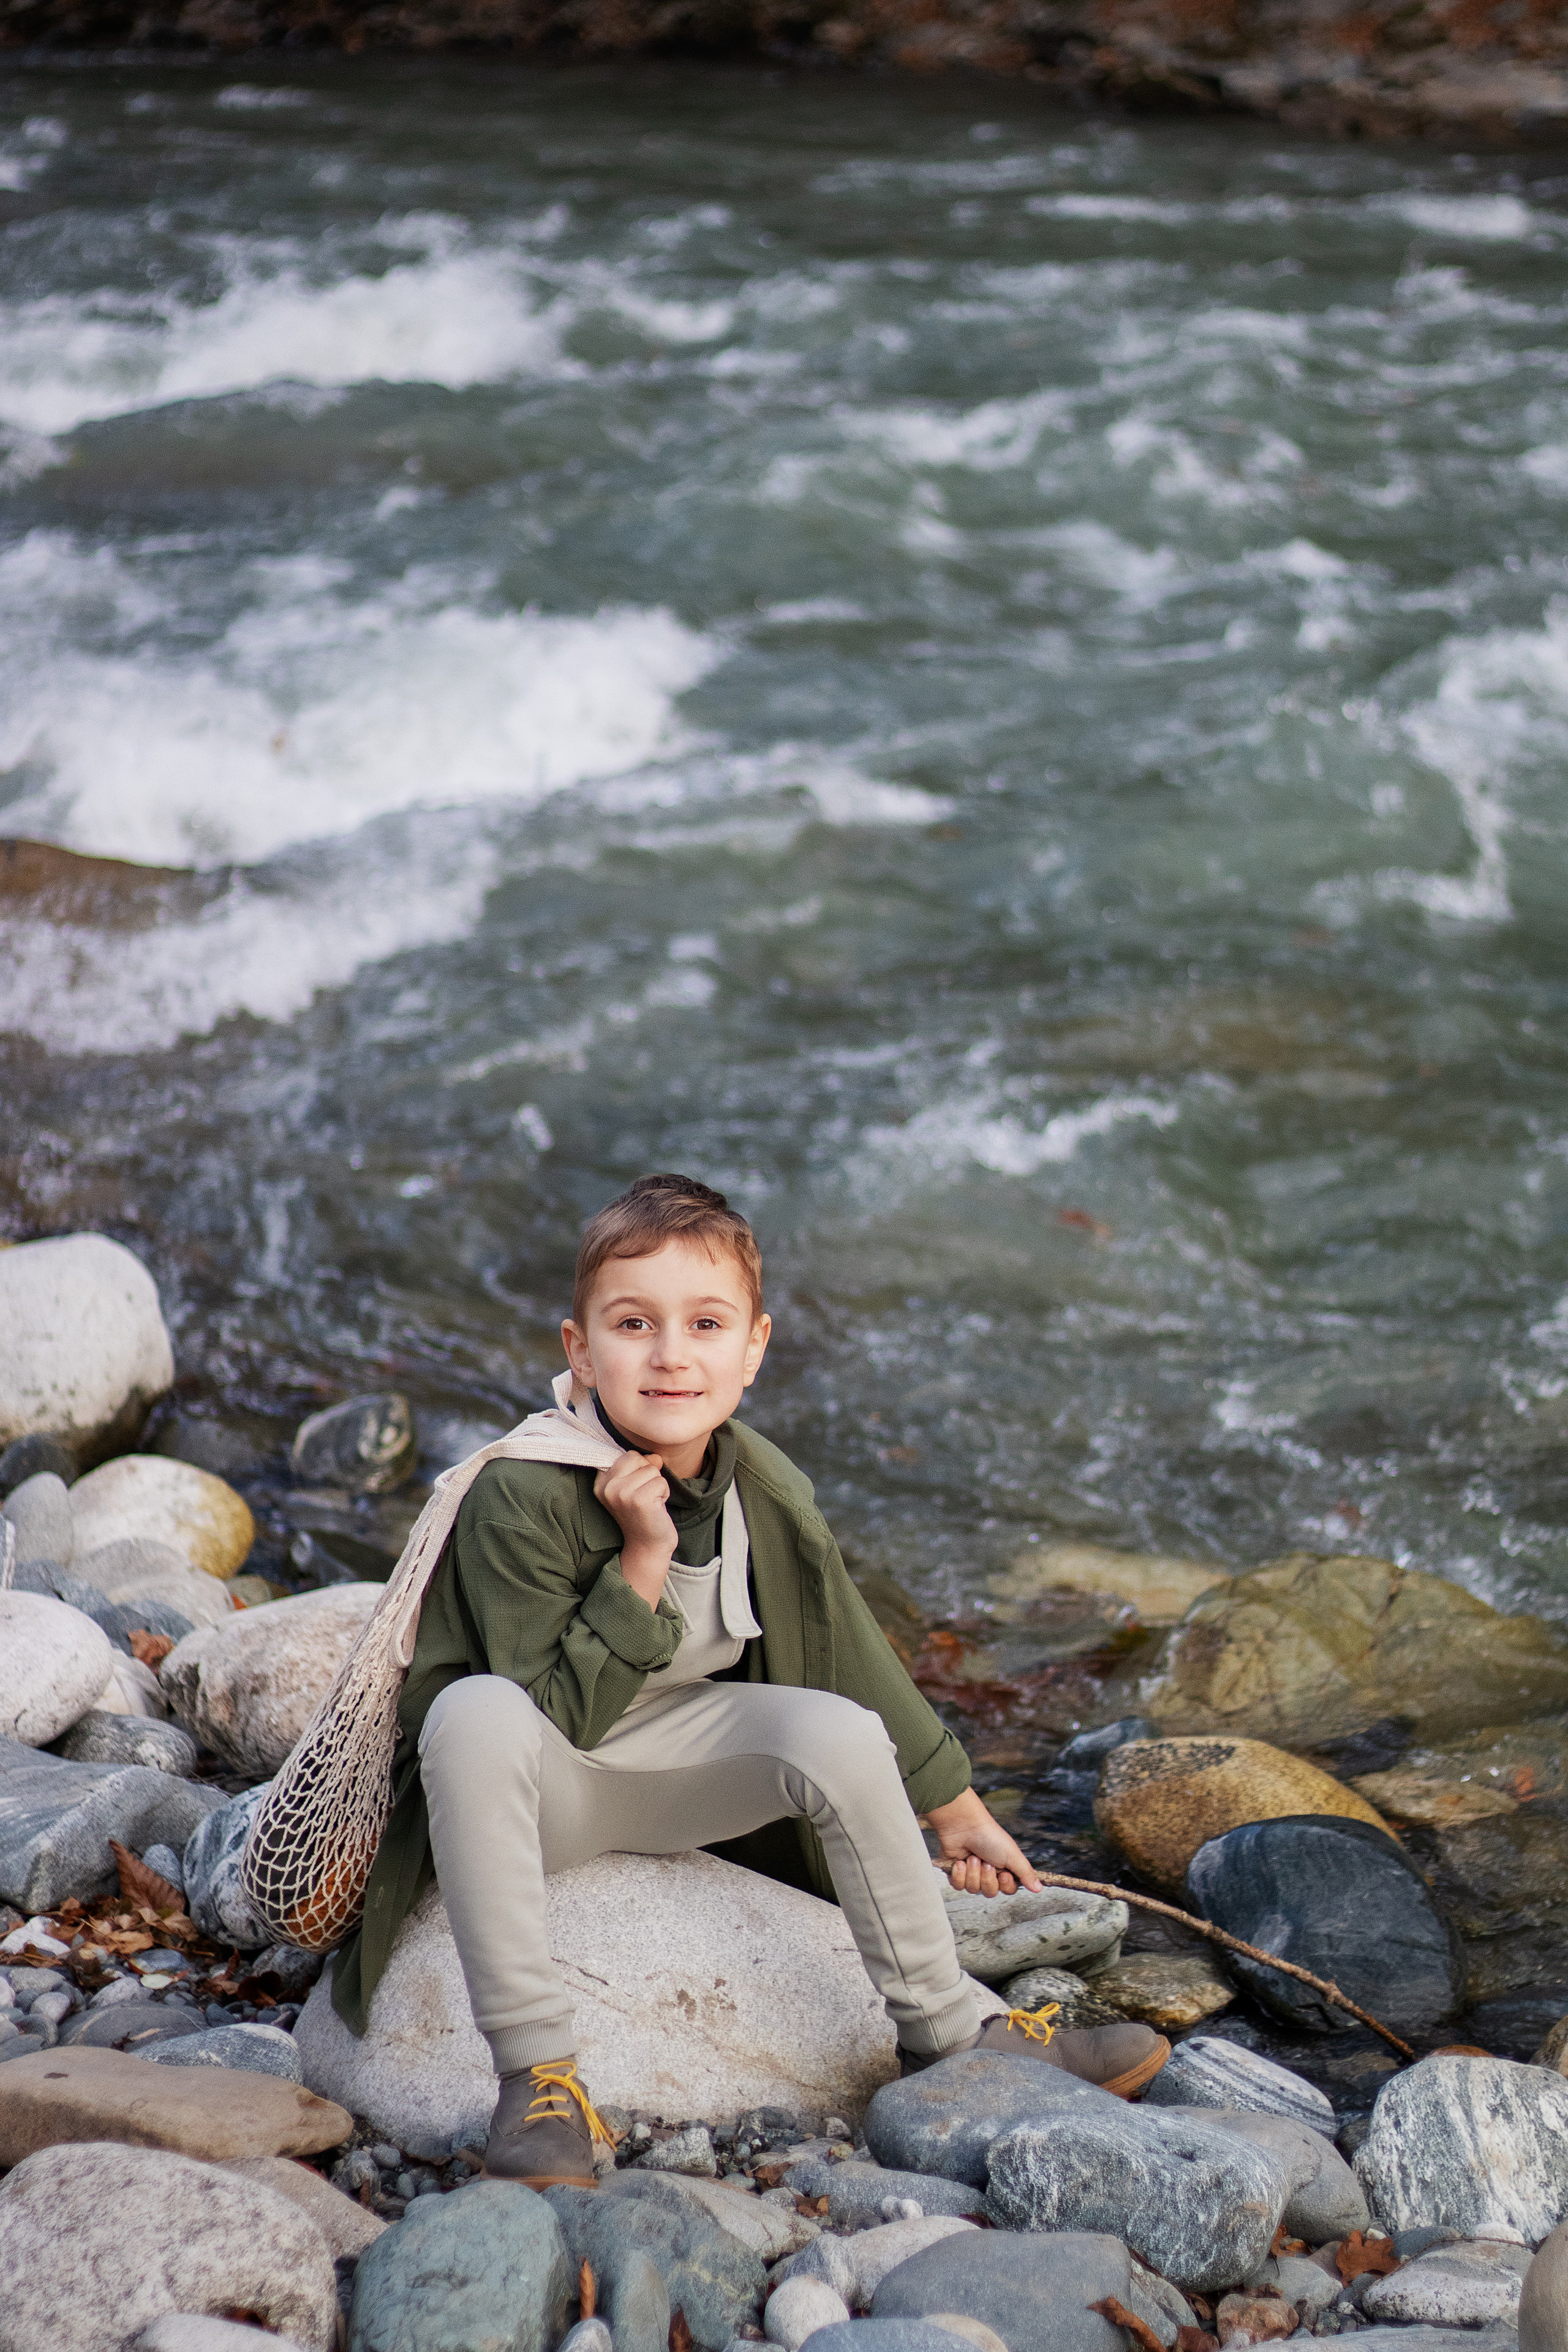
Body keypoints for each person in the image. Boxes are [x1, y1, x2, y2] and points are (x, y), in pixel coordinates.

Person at [331, 1173, 1169, 2187]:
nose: (672, 1354)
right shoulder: (522, 1492)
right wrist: (640, 1563)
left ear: (754, 1348)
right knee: (471, 1715)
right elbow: (555, 1720)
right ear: (580, 1350)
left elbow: (845, 1639)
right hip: (544, 1789)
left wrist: (954, 1806)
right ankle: (537, 2081)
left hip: (686, 1769)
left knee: (839, 1733)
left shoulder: (754, 1479)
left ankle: (954, 2030)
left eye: (706, 1324)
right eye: (634, 1324)